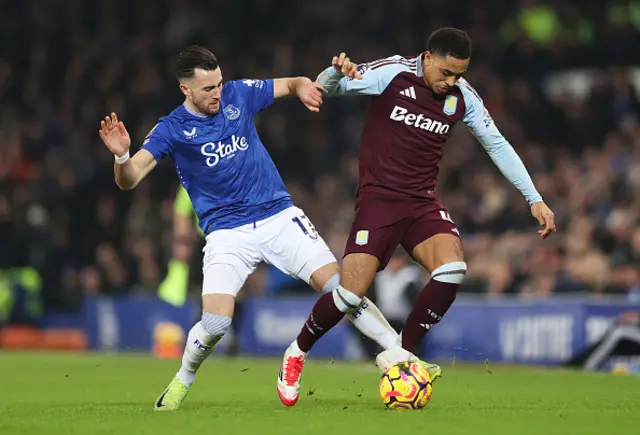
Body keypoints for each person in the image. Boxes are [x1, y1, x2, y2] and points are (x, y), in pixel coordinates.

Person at [98, 46, 401, 411]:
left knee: (343, 289)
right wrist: (121, 156)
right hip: (227, 233)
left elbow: (291, 83)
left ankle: (400, 355)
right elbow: (129, 179)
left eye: (219, 84)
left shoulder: (239, 94)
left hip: (277, 216)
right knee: (214, 323)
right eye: (208, 88)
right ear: (185, 90)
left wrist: (304, 87)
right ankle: (183, 378)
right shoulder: (171, 129)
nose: (218, 93)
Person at [276, 27, 557, 406]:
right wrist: (334, 73)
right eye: (446, 72)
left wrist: (534, 198)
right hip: (378, 200)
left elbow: (497, 144)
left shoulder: (463, 99)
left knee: (453, 268)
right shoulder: (393, 73)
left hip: (422, 201)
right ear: (427, 58)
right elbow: (330, 89)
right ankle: (296, 352)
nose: (452, 81)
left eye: (459, 74)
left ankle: (400, 353)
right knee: (349, 293)